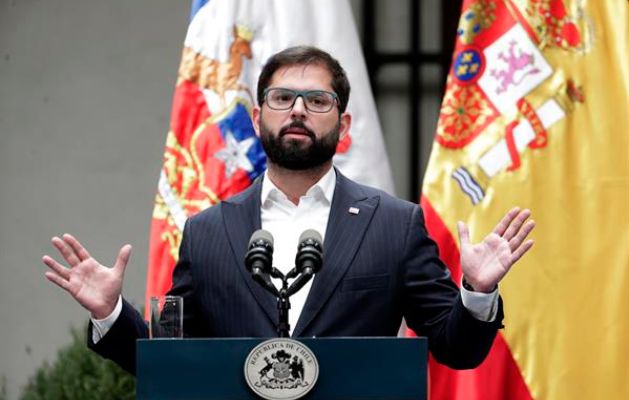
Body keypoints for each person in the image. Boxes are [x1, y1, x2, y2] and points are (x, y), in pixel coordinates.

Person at [43, 46, 535, 375]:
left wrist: (477, 292)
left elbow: (458, 350)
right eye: (282, 98)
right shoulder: (208, 230)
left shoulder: (394, 224)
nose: (298, 110)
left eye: (317, 100)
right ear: (258, 118)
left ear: (343, 126)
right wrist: (111, 313)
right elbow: (173, 360)